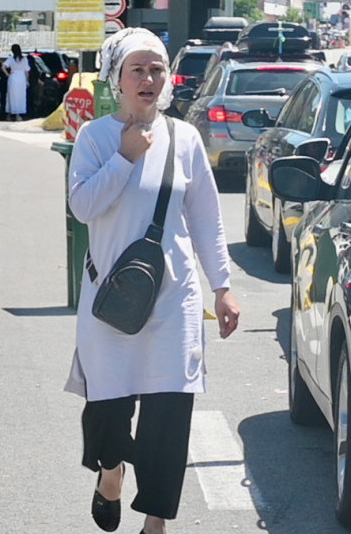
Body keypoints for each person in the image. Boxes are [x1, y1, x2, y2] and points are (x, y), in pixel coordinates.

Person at [65, 28, 241, 534]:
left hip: (173, 300)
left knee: (169, 418)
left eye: (156, 69)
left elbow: (206, 217)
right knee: (108, 410)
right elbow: (83, 207)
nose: (148, 79)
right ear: (117, 79)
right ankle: (111, 472)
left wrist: (222, 286)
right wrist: (124, 156)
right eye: (137, 70)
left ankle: (156, 523)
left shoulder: (184, 138)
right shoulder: (96, 137)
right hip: (110, 301)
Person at [1, 43, 31, 120]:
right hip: (21, 78)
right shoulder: (24, 59)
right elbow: (27, 71)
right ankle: (18, 115)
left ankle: (9, 114)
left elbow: (3, 66)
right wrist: (27, 80)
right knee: (20, 97)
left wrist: (7, 74)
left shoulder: (11, 59)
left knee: (11, 96)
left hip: (13, 77)